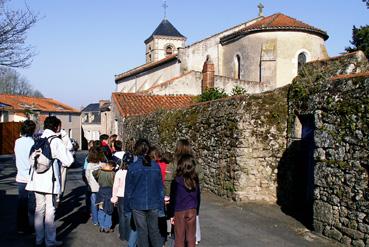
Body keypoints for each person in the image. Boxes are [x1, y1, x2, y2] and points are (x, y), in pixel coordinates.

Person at [26, 116, 74, 247]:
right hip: (49, 181)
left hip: (36, 179)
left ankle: (38, 239)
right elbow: (69, 160)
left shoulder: (38, 138)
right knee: (50, 211)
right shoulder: (55, 141)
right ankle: (50, 241)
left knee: (38, 209)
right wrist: (64, 138)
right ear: (57, 127)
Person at [124, 138, 164, 247]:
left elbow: (128, 191)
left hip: (137, 204)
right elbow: (160, 189)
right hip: (154, 203)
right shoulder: (156, 167)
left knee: (142, 232)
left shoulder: (132, 167)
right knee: (154, 231)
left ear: (136, 150)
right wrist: (161, 208)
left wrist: (127, 209)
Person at [168, 154, 201, 247]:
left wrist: (171, 214)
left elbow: (173, 198)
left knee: (179, 237)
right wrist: (197, 210)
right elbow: (198, 196)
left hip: (179, 210)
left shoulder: (176, 180)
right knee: (191, 237)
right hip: (192, 209)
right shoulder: (195, 179)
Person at [14, 119, 36, 234]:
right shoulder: (33, 143)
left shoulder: (17, 141)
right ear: (33, 130)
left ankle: (20, 227)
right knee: (32, 203)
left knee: (22, 202)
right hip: (31, 176)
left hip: (20, 176)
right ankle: (31, 225)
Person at [85, 144, 105, 226]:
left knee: (93, 205)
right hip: (101, 187)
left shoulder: (89, 165)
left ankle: (95, 220)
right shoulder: (102, 165)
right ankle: (101, 220)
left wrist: (88, 184)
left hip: (92, 188)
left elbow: (87, 177)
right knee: (101, 204)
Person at [93, 160, 115, 233]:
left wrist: (100, 167)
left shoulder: (100, 172)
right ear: (112, 167)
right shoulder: (113, 173)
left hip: (101, 191)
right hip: (110, 192)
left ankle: (101, 226)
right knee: (109, 210)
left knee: (101, 210)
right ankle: (107, 226)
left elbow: (93, 173)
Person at [111, 155, 128, 241]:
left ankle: (122, 234)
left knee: (121, 215)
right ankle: (128, 234)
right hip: (129, 196)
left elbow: (115, 186)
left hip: (121, 196)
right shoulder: (132, 172)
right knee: (128, 215)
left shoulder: (119, 172)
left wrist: (114, 197)